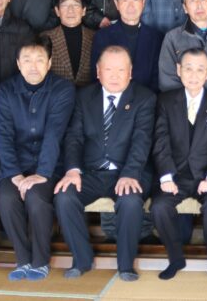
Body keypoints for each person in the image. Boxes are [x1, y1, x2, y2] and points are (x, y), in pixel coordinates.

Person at [54, 46, 156, 282]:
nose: (114, 75)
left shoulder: (144, 98)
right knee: (64, 195)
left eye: (121, 69)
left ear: (130, 72)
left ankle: (125, 265)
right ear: (98, 72)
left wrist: (130, 173)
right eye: (108, 69)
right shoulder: (83, 96)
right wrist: (72, 170)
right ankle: (81, 259)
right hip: (90, 172)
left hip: (128, 171)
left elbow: (142, 140)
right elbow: (74, 137)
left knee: (130, 200)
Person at [0, 38, 75, 281]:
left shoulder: (63, 89)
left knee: (36, 198)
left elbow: (54, 132)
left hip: (49, 165)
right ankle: (22, 259)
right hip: (15, 165)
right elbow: (3, 134)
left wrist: (42, 173)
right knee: (7, 199)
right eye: (27, 60)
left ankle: (40, 260)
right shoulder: (6, 90)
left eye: (40, 60)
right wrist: (15, 174)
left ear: (49, 63)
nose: (33, 66)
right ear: (18, 64)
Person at [150, 49, 207, 282]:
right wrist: (166, 178)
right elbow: (160, 141)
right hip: (175, 175)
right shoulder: (166, 100)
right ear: (178, 70)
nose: (193, 75)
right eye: (188, 68)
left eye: (199, 69)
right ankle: (176, 258)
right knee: (158, 207)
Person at [90, 0, 163, 91]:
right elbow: (97, 75)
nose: (131, 6)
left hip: (145, 100)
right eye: (125, 0)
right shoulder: (102, 36)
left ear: (143, 2)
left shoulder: (156, 37)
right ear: (117, 4)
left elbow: (156, 78)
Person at [42, 0, 96, 86]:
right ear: (57, 11)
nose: (70, 10)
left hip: (88, 97)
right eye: (65, 5)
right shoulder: (45, 37)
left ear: (84, 10)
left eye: (75, 5)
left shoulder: (96, 37)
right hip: (57, 97)